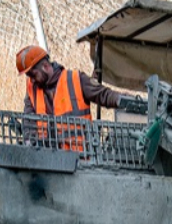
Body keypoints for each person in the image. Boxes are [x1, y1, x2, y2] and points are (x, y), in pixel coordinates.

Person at [15, 45, 144, 150]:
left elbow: (105, 95)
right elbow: (29, 120)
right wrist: (29, 143)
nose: (31, 79)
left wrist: (132, 102)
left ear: (45, 67)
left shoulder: (75, 80)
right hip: (48, 160)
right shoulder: (32, 88)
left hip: (79, 160)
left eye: (33, 74)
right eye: (29, 76)